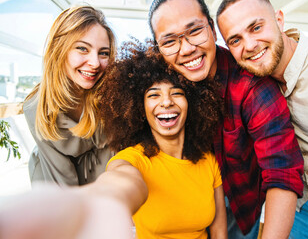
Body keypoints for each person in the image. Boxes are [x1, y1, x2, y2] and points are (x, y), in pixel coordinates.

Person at [0, 41, 226, 239]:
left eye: (177, 93)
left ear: (194, 103)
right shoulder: (132, 159)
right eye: (153, 95)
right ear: (138, 108)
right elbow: (121, 182)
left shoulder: (208, 160)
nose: (166, 102)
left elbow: (218, 232)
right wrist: (94, 203)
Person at [148, 0, 304, 238]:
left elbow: (281, 173)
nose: (187, 48)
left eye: (195, 31)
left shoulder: (251, 87)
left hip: (241, 207)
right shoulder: (154, 86)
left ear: (212, 29)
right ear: (158, 48)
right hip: (181, 210)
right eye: (169, 41)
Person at [216, 0, 308, 238]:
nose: (250, 45)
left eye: (256, 27)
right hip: (299, 212)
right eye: (235, 40)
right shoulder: (251, 81)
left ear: (279, 20)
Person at [23, 5, 117, 185]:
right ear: (59, 50)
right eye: (82, 48)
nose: (95, 63)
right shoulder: (36, 107)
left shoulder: (112, 95)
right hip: (52, 175)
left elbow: (114, 155)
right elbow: (61, 179)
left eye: (103, 53)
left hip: (103, 172)